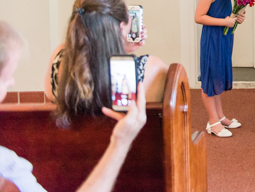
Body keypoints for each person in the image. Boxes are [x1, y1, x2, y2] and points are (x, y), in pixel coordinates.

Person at [0, 20, 148, 192]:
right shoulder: (7, 169)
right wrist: (121, 142)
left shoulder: (59, 57)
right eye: (6, 77)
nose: (12, 82)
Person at [44, 0, 168, 129]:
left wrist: (120, 49)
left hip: (73, 150)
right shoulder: (153, 69)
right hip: (123, 148)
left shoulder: (58, 59)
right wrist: (119, 49)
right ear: (121, 29)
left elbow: (92, 63)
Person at [194, 0, 246, 138]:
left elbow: (224, 13)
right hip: (212, 39)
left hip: (224, 38)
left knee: (217, 77)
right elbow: (199, 17)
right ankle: (212, 122)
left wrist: (236, 17)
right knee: (210, 79)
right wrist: (225, 21)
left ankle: (220, 116)